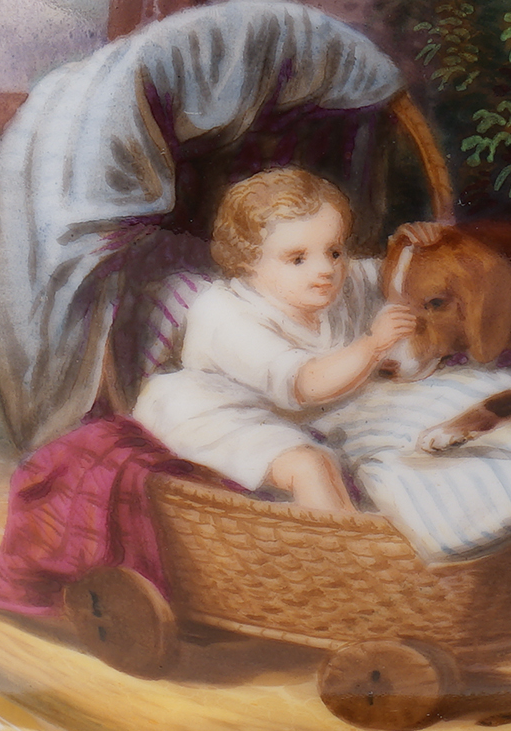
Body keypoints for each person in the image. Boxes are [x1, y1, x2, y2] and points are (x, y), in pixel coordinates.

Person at [130, 169, 419, 515]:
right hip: (214, 417)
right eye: (298, 258)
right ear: (248, 261)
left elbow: (392, 274)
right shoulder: (225, 315)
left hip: (284, 415)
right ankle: (340, 548)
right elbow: (307, 385)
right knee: (311, 468)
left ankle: (362, 539)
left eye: (334, 251)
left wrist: (413, 246)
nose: (325, 269)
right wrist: (373, 345)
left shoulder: (330, 285)